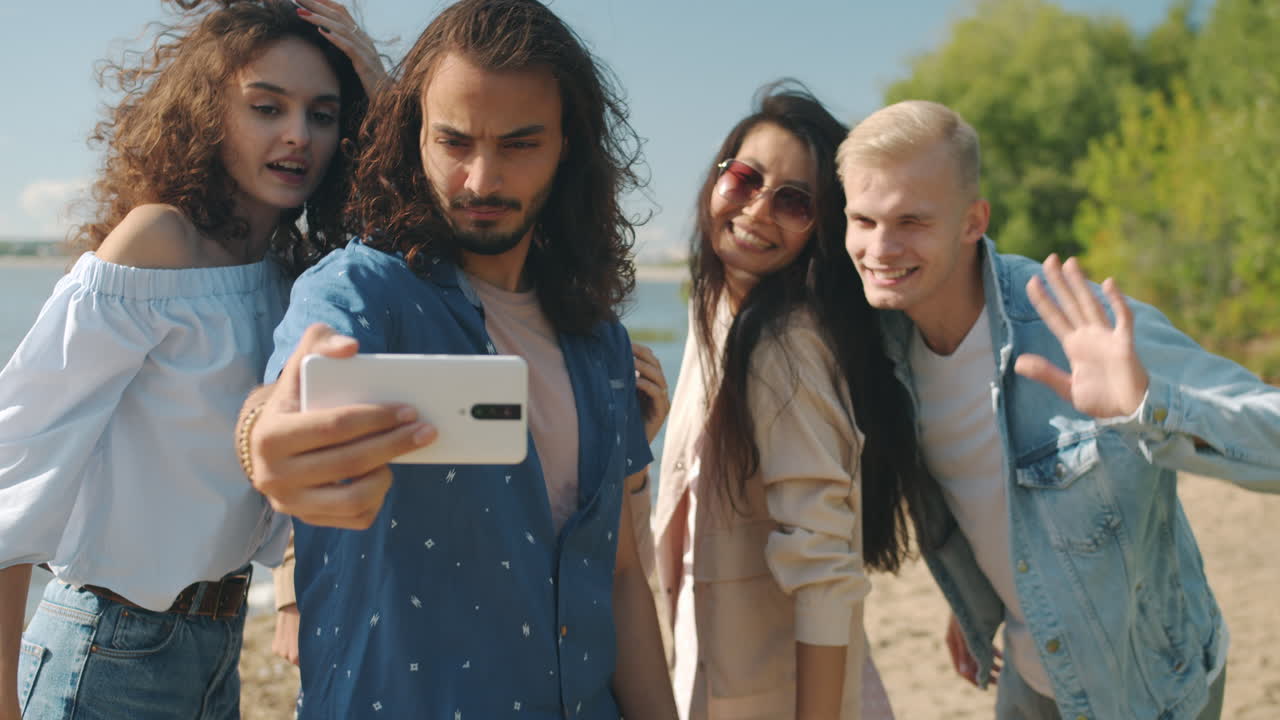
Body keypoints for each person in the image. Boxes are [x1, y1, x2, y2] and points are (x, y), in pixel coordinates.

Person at [234, 0, 678, 717]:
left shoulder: (600, 341)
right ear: (415, 139)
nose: (480, 179)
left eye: (520, 144)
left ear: (569, 144)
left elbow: (622, 574)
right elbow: (282, 399)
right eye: (455, 141)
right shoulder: (360, 291)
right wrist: (261, 442)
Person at [836, 99, 1280, 720]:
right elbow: (982, 488)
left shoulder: (1078, 324)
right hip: (1026, 681)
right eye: (863, 219)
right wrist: (974, 598)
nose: (880, 247)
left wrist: (1146, 408)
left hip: (1148, 691)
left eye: (911, 220)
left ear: (972, 221)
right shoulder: (888, 350)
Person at [0, 1, 379, 718]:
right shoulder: (158, 244)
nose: (297, 135)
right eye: (267, 107)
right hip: (105, 651)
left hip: (216, 651)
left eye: (323, 114)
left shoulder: (292, 282)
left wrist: (386, 93)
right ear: (209, 112)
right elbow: (11, 473)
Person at [650, 83, 928, 720]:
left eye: (795, 201)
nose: (757, 209)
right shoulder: (714, 309)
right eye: (745, 178)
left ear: (821, 230)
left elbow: (824, 571)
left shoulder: (784, 347)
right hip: (715, 672)